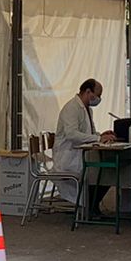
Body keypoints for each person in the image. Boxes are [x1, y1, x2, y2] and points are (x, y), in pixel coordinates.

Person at [49, 78, 107, 217]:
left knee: (106, 172)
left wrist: (102, 135)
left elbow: (88, 133)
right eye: (97, 95)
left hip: (79, 156)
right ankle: (91, 206)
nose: (98, 99)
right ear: (88, 91)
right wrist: (97, 138)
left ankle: (92, 205)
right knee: (103, 173)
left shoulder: (87, 110)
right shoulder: (71, 108)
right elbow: (71, 134)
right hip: (68, 159)